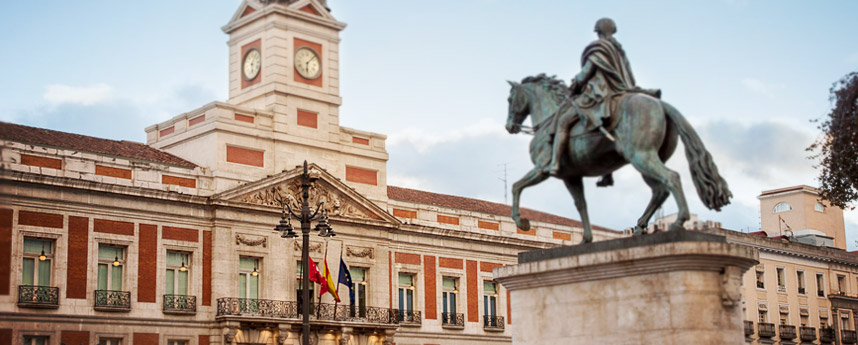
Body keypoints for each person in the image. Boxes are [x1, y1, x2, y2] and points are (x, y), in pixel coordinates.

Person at [545, 18, 660, 186]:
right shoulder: (619, 50)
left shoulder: (599, 48)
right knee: (612, 131)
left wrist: (575, 84)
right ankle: (607, 173)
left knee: (562, 122)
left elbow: (585, 74)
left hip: (600, 92)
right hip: (621, 90)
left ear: (598, 31)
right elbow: (629, 76)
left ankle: (554, 163)